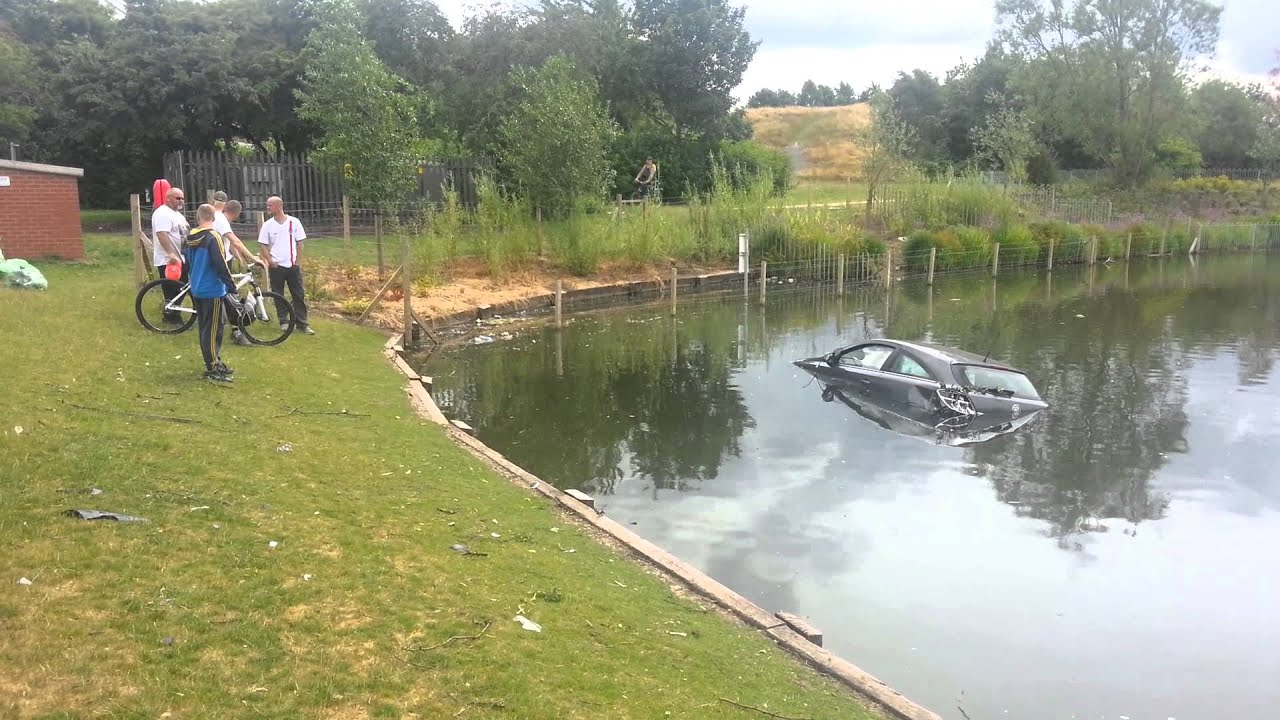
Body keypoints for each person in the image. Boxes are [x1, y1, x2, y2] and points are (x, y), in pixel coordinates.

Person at [184, 204, 238, 383]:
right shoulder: (213, 236)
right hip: (212, 289)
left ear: (198, 218)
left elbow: (188, 264)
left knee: (206, 327)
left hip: (198, 287)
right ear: (213, 218)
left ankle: (214, 361)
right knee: (214, 329)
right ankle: (213, 366)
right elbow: (220, 263)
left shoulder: (191, 237)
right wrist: (230, 285)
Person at [257, 196, 314, 335]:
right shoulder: (267, 225)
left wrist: (298, 261)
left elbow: (300, 243)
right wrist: (270, 260)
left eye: (270, 205)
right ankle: (283, 321)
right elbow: (262, 244)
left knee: (298, 294)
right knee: (278, 294)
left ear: (279, 206)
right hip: (276, 266)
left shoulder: (294, 222)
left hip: (292, 265)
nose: (268, 208)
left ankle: (303, 323)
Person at [212, 196, 255, 346]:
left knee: (227, 295)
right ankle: (236, 331)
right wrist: (254, 259)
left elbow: (229, 244)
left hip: (224, 260)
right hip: (218, 263)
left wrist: (239, 257)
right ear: (237, 213)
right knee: (230, 295)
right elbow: (235, 241)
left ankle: (232, 328)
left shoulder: (221, 219)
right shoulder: (222, 221)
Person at [151, 186, 189, 320]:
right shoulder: (162, 213)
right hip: (169, 259)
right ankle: (171, 316)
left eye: (183, 198)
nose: (181, 201)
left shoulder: (178, 215)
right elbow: (161, 234)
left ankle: (174, 313)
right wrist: (170, 253)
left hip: (182, 257)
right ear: (168, 198)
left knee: (184, 286)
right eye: (178, 198)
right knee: (172, 288)